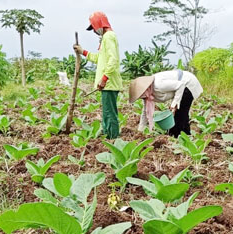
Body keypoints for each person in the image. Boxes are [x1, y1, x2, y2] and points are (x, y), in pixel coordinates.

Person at [73, 12, 122, 140]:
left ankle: (112, 138)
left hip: (109, 84)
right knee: (107, 113)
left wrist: (104, 79)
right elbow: (99, 58)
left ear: (99, 24)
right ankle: (108, 135)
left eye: (94, 28)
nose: (94, 31)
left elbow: (113, 60)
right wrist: (82, 51)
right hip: (107, 84)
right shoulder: (106, 38)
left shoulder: (109, 37)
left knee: (109, 113)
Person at [128, 69, 203, 137]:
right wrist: (140, 131)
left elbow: (180, 85)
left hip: (187, 84)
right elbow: (145, 113)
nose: (142, 98)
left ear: (144, 90)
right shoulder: (147, 95)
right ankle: (186, 135)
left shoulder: (158, 85)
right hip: (180, 88)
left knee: (180, 115)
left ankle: (178, 137)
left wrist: (174, 104)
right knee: (180, 115)